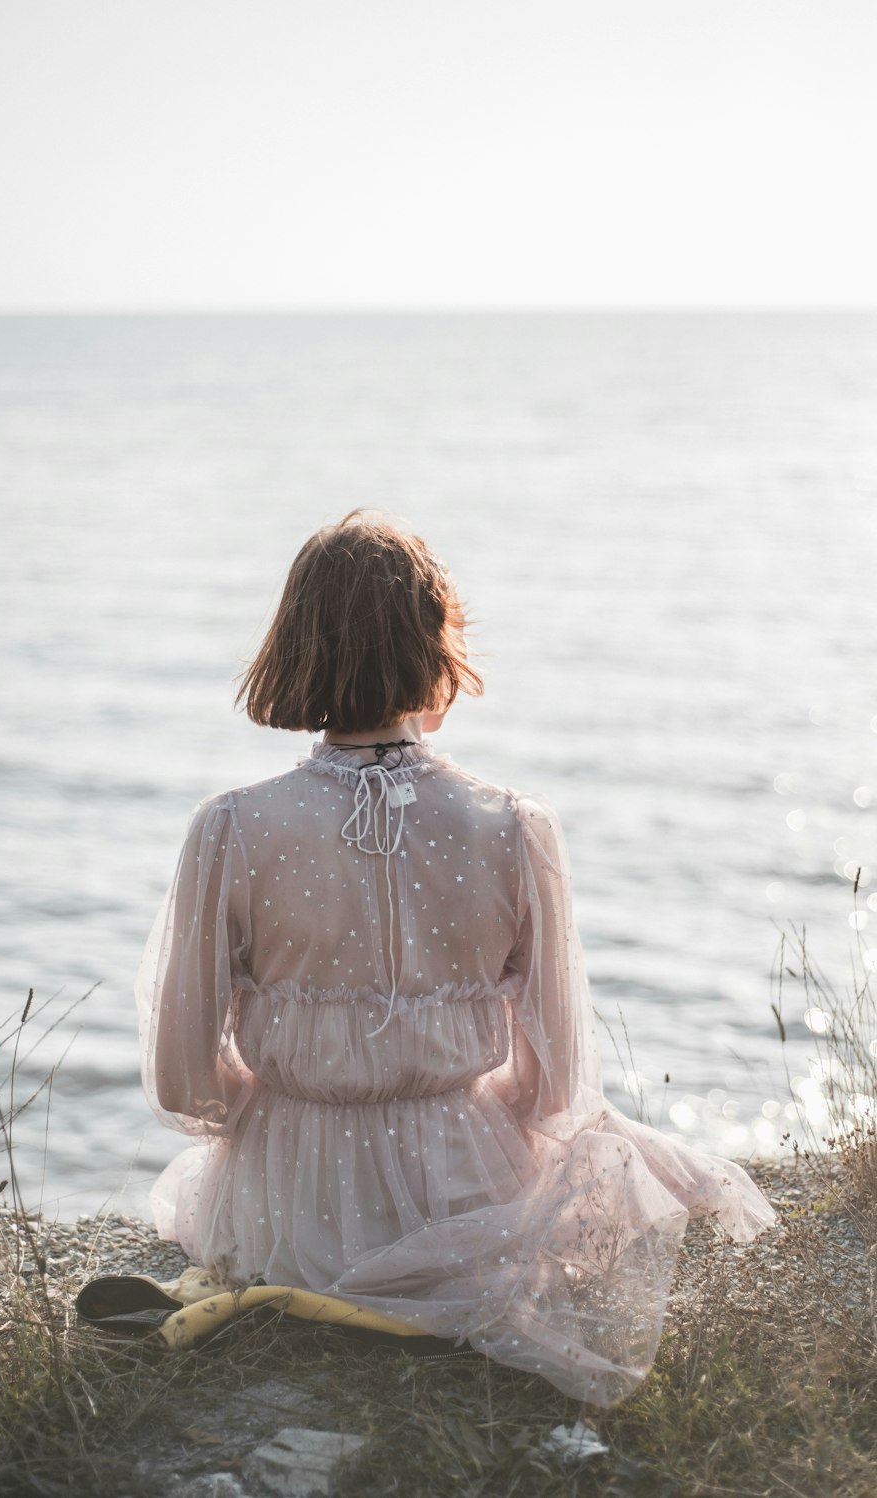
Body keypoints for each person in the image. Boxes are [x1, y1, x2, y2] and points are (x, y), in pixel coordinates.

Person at [136, 510, 775, 1406]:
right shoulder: (514, 824)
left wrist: (275, 1107)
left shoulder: (232, 828)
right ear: (433, 642)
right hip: (469, 1181)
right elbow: (554, 1088)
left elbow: (183, 1084)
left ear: (296, 645)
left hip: (287, 1191)